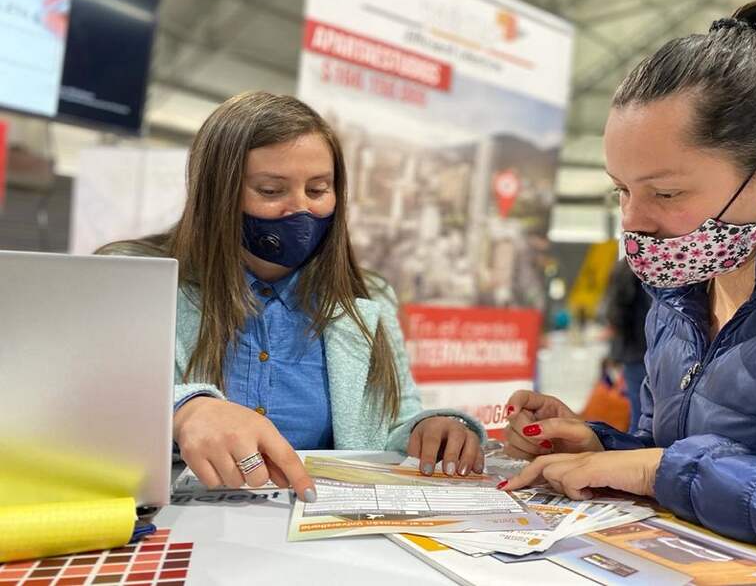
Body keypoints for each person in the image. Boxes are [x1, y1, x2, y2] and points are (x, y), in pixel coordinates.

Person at [500, 1, 756, 582]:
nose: (634, 222)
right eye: (621, 190)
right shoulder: (681, 284)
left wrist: (663, 473)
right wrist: (603, 447)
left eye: (666, 194)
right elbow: (679, 446)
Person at [100, 92, 485, 502]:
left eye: (318, 190)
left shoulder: (368, 297)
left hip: (316, 530)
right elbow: (88, 400)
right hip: (169, 528)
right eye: (270, 190)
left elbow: (394, 424)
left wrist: (432, 429)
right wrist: (185, 409)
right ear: (217, 194)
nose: (299, 210)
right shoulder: (134, 277)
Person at [604, 257, 651, 432]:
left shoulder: (623, 267)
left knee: (639, 414)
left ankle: (635, 451)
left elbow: (614, 313)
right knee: (645, 417)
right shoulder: (646, 269)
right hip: (644, 349)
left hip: (632, 351)